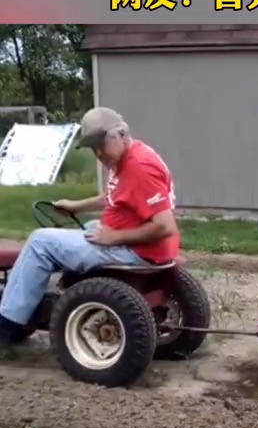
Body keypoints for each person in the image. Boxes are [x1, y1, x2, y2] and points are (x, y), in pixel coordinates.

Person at [0, 107, 180, 344]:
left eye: (101, 144)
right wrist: (76, 205)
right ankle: (66, 284)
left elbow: (165, 227)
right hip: (145, 247)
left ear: (121, 135)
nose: (97, 153)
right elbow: (117, 196)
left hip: (135, 251)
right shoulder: (131, 156)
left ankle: (8, 321)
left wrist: (113, 238)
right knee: (90, 225)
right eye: (92, 148)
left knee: (40, 241)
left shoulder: (139, 168)